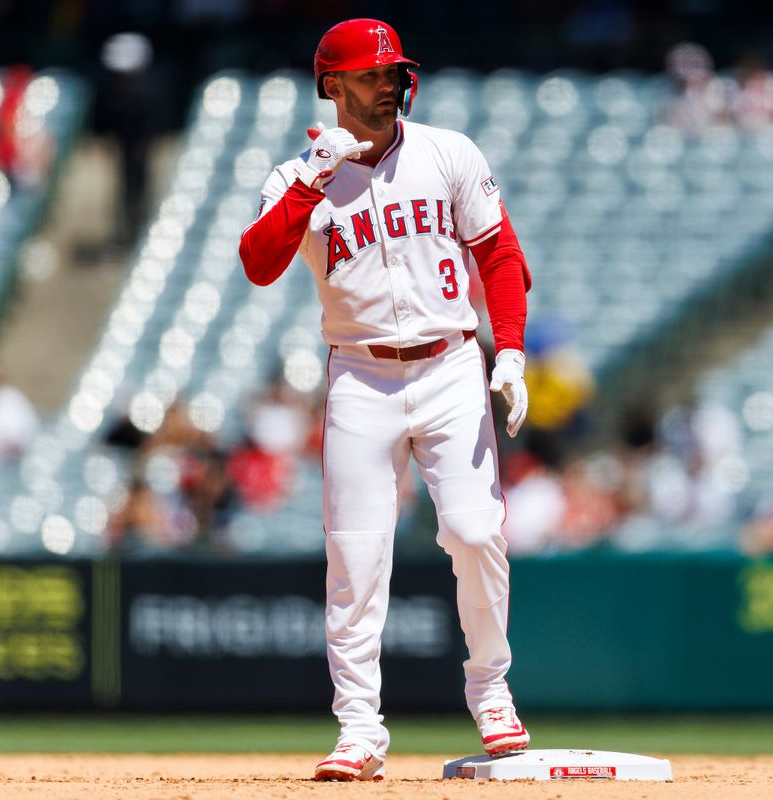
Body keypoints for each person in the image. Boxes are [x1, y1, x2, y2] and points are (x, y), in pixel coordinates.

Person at [238, 19, 533, 781]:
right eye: (372, 74)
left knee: (474, 531)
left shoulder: (448, 153)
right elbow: (258, 264)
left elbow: (500, 255)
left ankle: (491, 686)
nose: (390, 82)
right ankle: (359, 728)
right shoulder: (297, 176)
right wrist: (310, 179)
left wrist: (512, 353)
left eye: (395, 70)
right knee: (357, 553)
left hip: (449, 366)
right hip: (360, 376)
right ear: (332, 85)